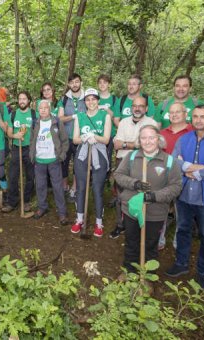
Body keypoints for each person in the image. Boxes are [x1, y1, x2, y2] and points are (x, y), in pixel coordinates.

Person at [165, 105, 204, 289]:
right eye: (195, 116)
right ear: (191, 118)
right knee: (183, 229)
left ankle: (203, 272)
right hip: (184, 194)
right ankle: (181, 263)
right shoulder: (184, 139)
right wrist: (193, 168)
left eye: (203, 117)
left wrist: (186, 167)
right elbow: (173, 162)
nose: (199, 120)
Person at [114, 125, 182, 274]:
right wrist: (134, 183)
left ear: (158, 139)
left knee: (151, 245)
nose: (148, 141)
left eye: (151, 137)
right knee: (131, 242)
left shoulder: (169, 161)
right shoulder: (132, 157)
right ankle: (129, 272)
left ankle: (148, 277)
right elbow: (118, 175)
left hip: (155, 213)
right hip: (131, 210)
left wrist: (154, 196)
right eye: (144, 138)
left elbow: (176, 186)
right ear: (139, 140)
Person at [109, 96, 158, 238]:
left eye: (141, 106)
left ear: (146, 108)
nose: (137, 108)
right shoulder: (123, 122)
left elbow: (146, 146)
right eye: (135, 106)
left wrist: (128, 144)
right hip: (122, 163)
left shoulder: (151, 123)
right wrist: (134, 144)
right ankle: (120, 225)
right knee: (121, 195)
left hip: (143, 163)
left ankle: (140, 225)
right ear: (131, 108)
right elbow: (117, 144)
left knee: (141, 194)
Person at [70, 88, 112, 238]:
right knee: (81, 188)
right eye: (88, 99)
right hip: (82, 152)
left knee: (97, 188)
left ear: (98, 100)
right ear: (84, 102)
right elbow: (75, 139)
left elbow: (106, 139)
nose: (91, 102)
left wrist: (95, 136)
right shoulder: (79, 116)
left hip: (99, 152)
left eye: (94, 99)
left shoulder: (105, 115)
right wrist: (84, 138)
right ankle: (80, 218)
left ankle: (99, 222)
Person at [157, 102, 194, 250]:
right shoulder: (163, 133)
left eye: (178, 112)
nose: (174, 115)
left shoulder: (193, 132)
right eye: (171, 112)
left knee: (182, 212)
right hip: (164, 177)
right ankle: (159, 238)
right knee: (161, 209)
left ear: (185, 114)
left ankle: (179, 241)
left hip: (185, 177)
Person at [30, 100, 70, 225]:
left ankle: (62, 213)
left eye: (45, 108)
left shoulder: (56, 122)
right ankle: (42, 207)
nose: (43, 110)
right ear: (38, 110)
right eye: (40, 108)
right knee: (40, 185)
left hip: (54, 160)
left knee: (57, 186)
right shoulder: (35, 123)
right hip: (39, 160)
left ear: (49, 109)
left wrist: (62, 155)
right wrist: (32, 155)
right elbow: (32, 140)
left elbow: (64, 140)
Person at [2, 91, 35, 213]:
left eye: (24, 99)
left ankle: (26, 201)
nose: (22, 101)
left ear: (28, 101)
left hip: (30, 149)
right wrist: (16, 135)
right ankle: (12, 202)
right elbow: (9, 133)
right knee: (13, 175)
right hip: (17, 148)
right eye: (20, 99)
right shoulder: (13, 114)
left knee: (30, 176)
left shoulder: (33, 114)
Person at [58, 73, 86, 202]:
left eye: (77, 82)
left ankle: (74, 189)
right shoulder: (64, 99)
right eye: (72, 82)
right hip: (66, 137)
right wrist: (73, 117)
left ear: (80, 82)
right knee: (63, 163)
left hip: (81, 138)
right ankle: (64, 187)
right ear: (69, 84)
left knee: (78, 164)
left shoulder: (87, 98)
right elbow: (60, 118)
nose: (74, 84)